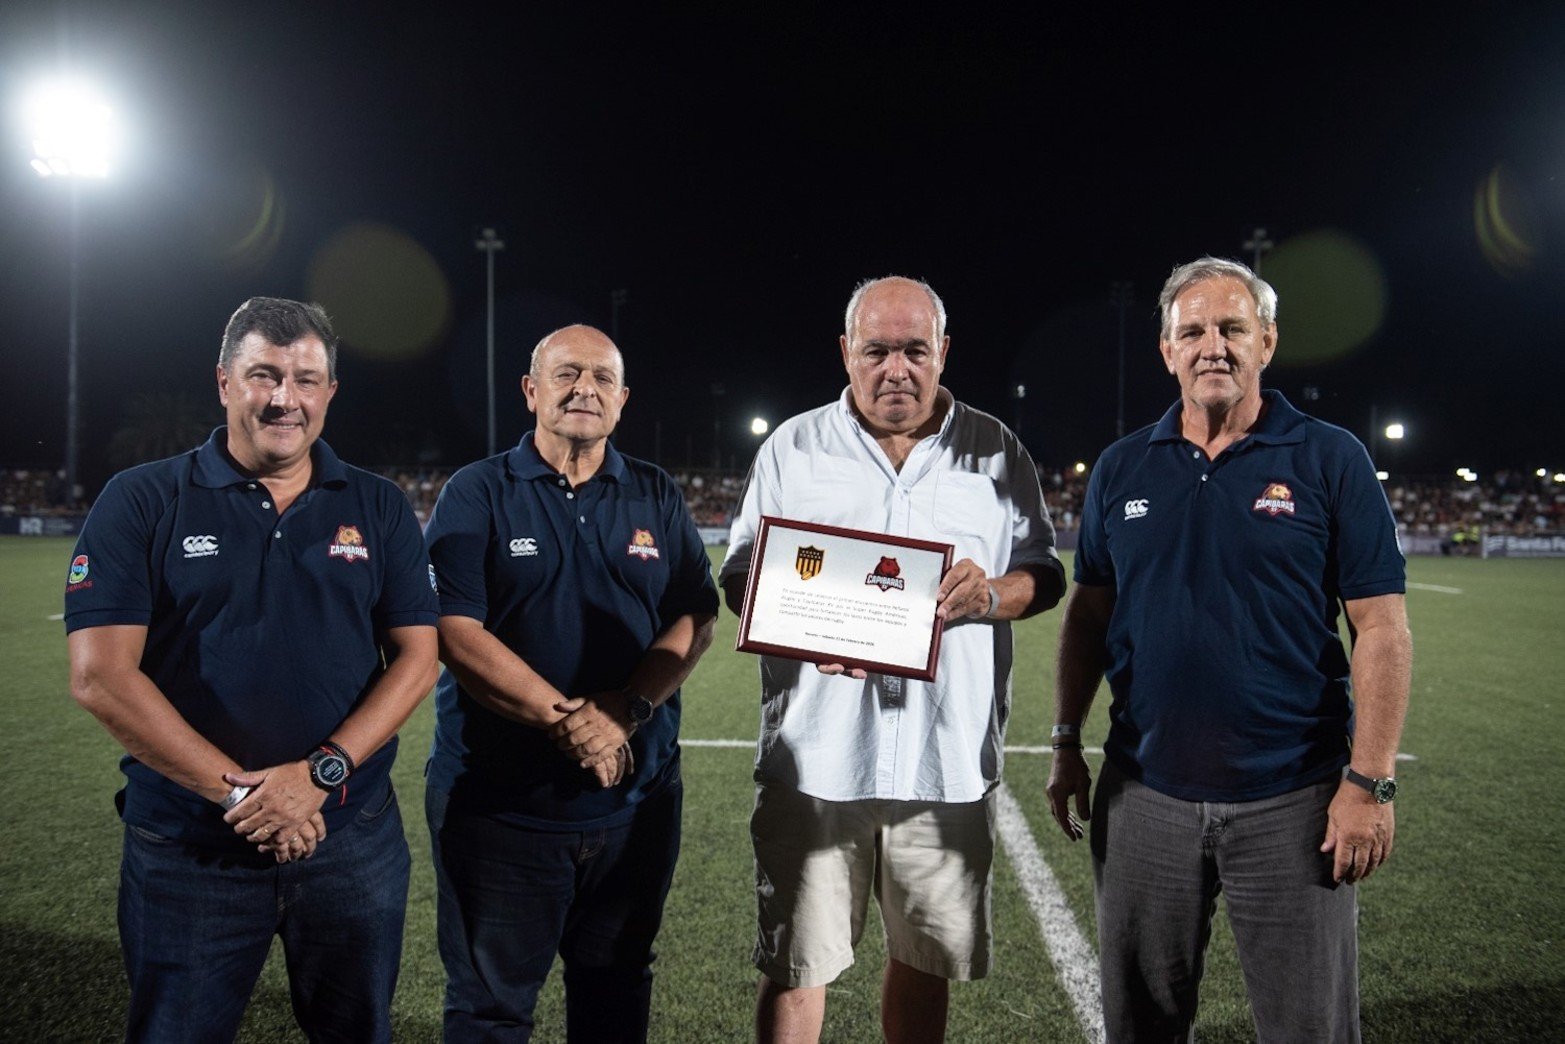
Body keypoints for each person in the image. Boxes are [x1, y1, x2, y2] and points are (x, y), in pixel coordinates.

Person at [1047, 257, 1412, 1042]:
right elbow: (1087, 616)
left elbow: (1379, 626)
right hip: (1142, 794)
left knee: (1307, 1027)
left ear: (1266, 342)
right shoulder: (1121, 467)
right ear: (1166, 351)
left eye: (1231, 328)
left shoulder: (1328, 457)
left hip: (1294, 799)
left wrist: (1370, 782)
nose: (1211, 346)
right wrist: (1064, 740)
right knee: (1139, 1025)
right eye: (1192, 331)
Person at [64, 297, 441, 1043]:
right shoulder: (141, 499)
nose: (283, 399)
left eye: (305, 379)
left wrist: (318, 776)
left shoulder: (378, 504)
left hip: (350, 837)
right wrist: (248, 796)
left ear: (330, 391)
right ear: (224, 382)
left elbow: (417, 656)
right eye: (263, 375)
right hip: (189, 847)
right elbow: (101, 677)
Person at [719, 276, 1066, 1043]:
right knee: (795, 967)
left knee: (922, 962)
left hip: (943, 759)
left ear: (943, 352)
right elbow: (738, 572)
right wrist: (801, 629)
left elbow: (1043, 574)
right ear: (846, 353)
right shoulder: (794, 446)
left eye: (914, 350)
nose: (895, 369)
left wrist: (989, 595)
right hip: (815, 757)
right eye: (876, 351)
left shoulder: (995, 447)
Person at [423, 324, 718, 1042]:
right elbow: (454, 630)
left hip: (636, 806)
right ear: (531, 391)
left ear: (622, 399)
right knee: (489, 1010)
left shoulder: (654, 491)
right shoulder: (477, 491)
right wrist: (571, 722)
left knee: (617, 991)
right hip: (500, 811)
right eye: (565, 374)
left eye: (601, 378)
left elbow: (694, 611)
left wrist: (627, 709)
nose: (584, 388)